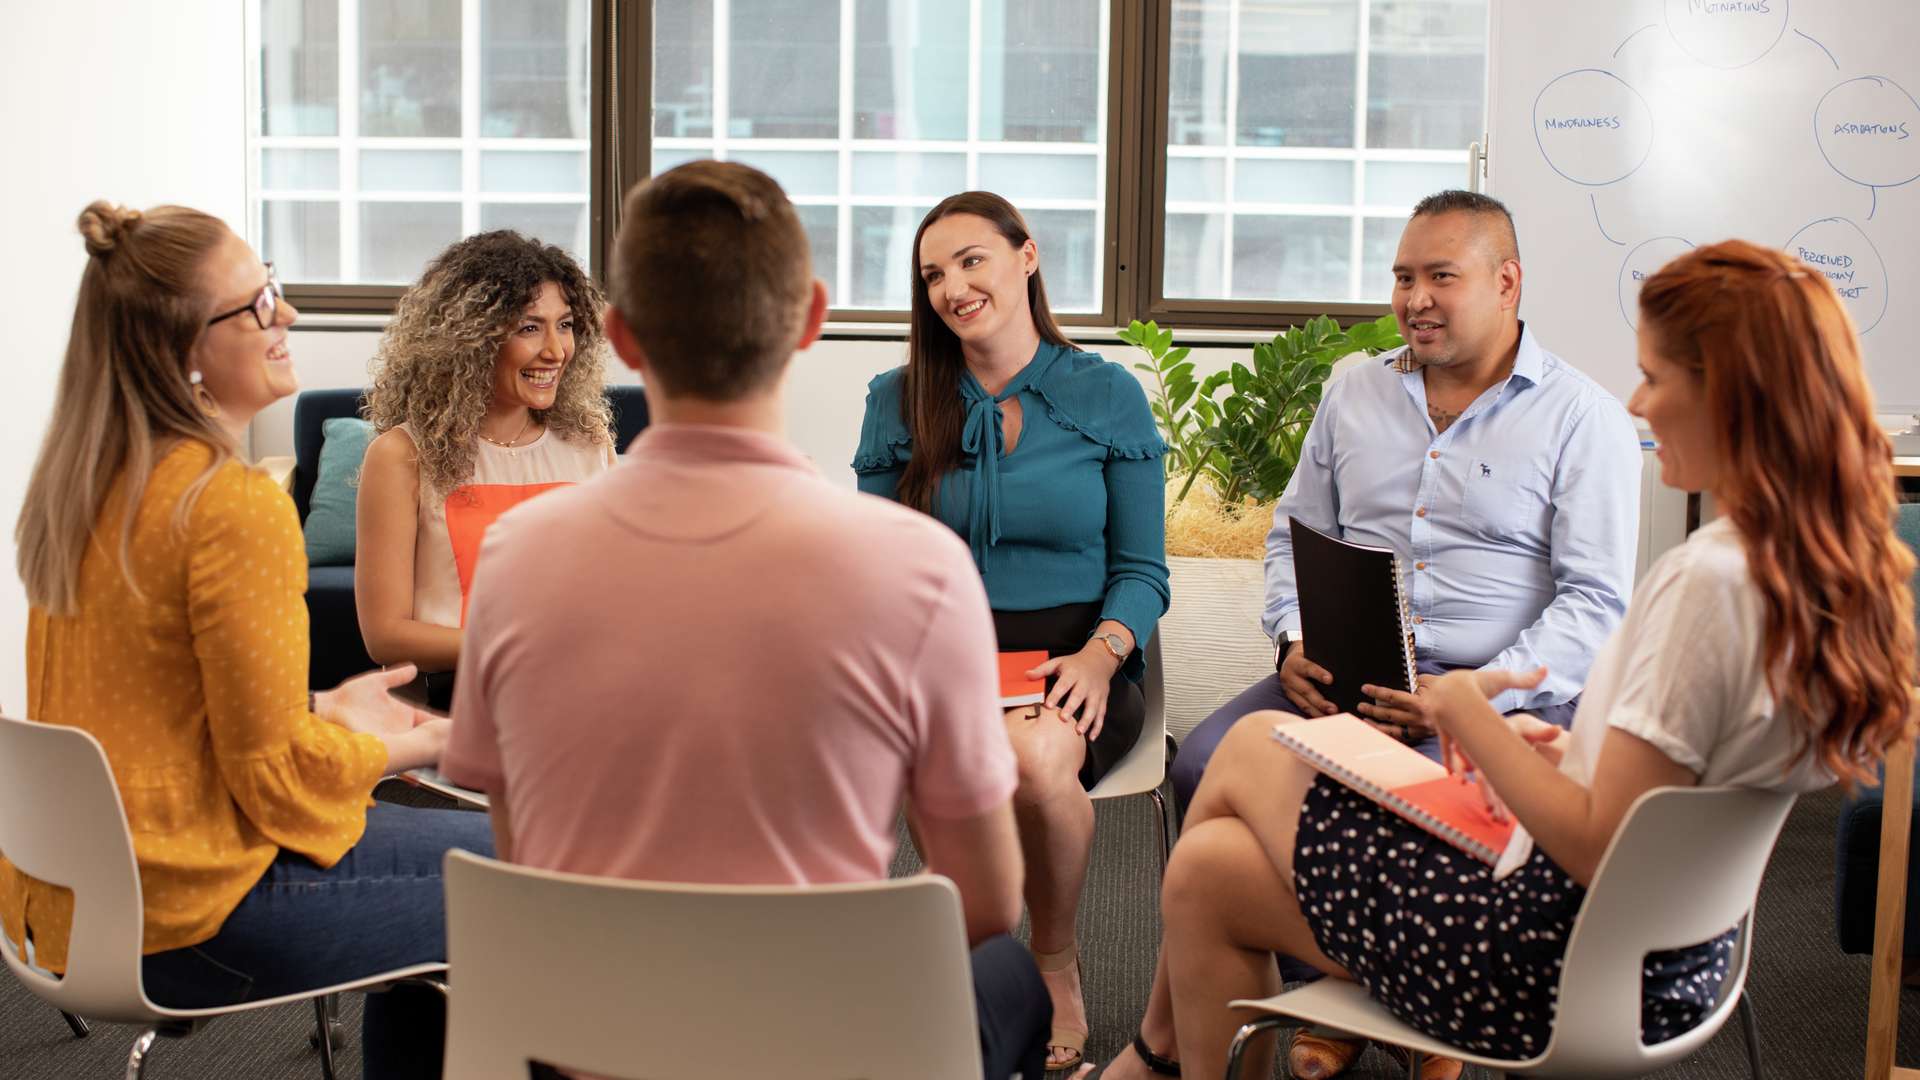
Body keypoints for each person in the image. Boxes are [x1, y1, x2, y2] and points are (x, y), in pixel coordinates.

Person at [1114, 238, 1920, 1080]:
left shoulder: (1707, 583)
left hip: (1548, 962)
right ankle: (1158, 1053)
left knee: (1235, 786)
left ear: (1734, 398)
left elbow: (1597, 843)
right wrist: (1571, 751)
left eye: (1658, 377)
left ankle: (1155, 1056)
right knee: (1211, 859)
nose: (1639, 404)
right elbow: (1668, 787)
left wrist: (1469, 714)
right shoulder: (1815, 568)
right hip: (1675, 956)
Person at [440, 162, 1051, 1080]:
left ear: (622, 340)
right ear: (810, 317)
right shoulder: (921, 571)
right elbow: (985, 902)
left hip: (595, 1048)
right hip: (831, 1048)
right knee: (1013, 980)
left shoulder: (515, 556)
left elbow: (521, 853)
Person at [1127, 190, 1642, 1080]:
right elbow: (1293, 531)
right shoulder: (1355, 388)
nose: (1415, 299)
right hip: (1346, 672)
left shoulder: (1581, 418)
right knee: (1200, 764)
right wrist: (1292, 642)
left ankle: (1364, 994)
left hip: (1490, 701)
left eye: (1443, 276)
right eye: (1405, 277)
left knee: (1396, 804)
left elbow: (1595, 602)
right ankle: (1355, 981)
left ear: (1508, 281)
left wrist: (1477, 694)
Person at [3, 202, 493, 1079]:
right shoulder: (233, 505)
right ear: (182, 350)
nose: (290, 316)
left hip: (76, 908)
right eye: (261, 304)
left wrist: (320, 708)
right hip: (193, 911)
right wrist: (409, 742)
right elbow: (272, 776)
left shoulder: (86, 487)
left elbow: (159, 714)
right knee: (522, 872)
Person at [851, 191, 1170, 1073]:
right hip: (946, 656)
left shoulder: (1105, 394)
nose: (952, 287)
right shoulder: (897, 398)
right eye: (933, 274)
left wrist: (1106, 656)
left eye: (971, 260)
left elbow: (1144, 572)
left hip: (1078, 654)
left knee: (1032, 760)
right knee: (944, 753)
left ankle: (1053, 958)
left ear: (1026, 257)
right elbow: (877, 565)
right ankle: (960, 960)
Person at [357, 231, 616, 707]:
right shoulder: (400, 456)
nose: (557, 351)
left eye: (566, 325)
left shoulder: (590, 446)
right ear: (470, 340)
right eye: (529, 328)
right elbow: (385, 636)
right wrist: (525, 649)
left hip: (577, 696)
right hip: (451, 702)